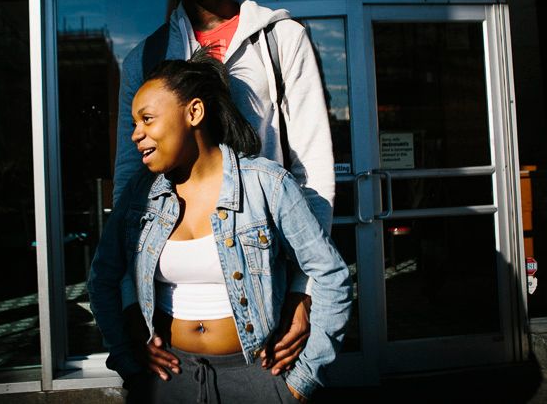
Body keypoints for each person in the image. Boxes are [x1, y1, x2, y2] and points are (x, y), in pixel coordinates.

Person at [112, 0, 336, 376]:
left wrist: (304, 290)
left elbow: (313, 169)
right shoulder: (146, 59)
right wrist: (133, 305)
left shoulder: (281, 40)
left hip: (266, 288)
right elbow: (129, 186)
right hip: (171, 305)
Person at [89, 53, 351, 403]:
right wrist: (126, 358)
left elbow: (332, 275)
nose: (137, 134)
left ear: (194, 112)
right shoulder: (141, 194)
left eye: (147, 119)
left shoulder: (267, 185)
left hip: (257, 377)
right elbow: (102, 278)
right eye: (135, 123)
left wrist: (302, 380)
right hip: (166, 380)